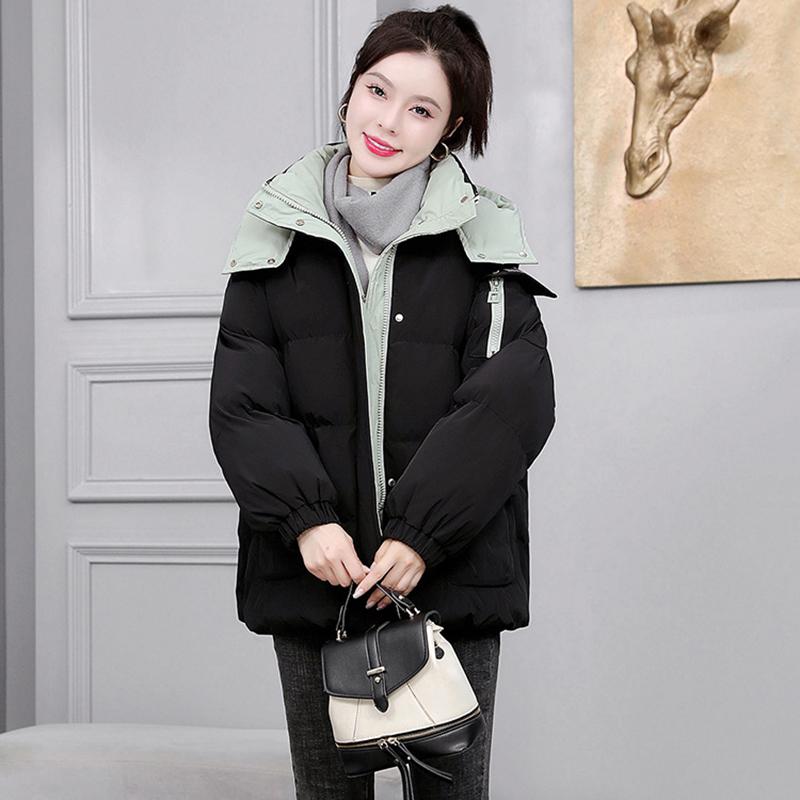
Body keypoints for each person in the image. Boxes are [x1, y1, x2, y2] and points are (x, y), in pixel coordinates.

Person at [208, 5, 557, 798]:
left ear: (452, 127)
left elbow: (512, 402)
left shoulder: (484, 239)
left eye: (421, 109)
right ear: (351, 90)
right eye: (377, 90)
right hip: (316, 578)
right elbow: (244, 401)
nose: (388, 122)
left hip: (450, 579)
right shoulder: (276, 230)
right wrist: (308, 520)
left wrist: (421, 534)